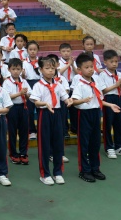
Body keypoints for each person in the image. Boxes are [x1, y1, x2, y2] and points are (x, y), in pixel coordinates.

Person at [72, 53, 121, 183]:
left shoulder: (95, 82)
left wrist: (110, 105)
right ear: (79, 69)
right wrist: (83, 100)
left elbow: (98, 100)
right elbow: (74, 101)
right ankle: (84, 170)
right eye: (86, 67)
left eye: (91, 66)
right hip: (84, 115)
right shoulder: (80, 84)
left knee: (95, 142)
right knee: (84, 143)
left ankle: (95, 168)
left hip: (95, 113)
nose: (90, 69)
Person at [30, 57, 72, 186]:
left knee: (58, 143)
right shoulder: (38, 85)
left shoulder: (58, 84)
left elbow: (65, 98)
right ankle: (45, 174)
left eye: (53, 68)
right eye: (47, 68)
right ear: (40, 70)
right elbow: (35, 101)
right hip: (45, 114)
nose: (50, 71)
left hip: (57, 114)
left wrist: (70, 101)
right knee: (44, 145)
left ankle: (58, 172)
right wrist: (45, 104)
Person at [99, 49, 121, 159]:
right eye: (111, 62)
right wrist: (115, 85)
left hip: (119, 98)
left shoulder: (120, 74)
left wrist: (120, 85)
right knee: (108, 123)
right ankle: (109, 147)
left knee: (119, 123)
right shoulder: (102, 75)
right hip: (108, 99)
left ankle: (119, 146)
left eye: (116, 61)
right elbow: (103, 91)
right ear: (105, 62)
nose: (114, 64)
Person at [4, 58, 31, 165]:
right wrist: (20, 93)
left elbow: (29, 96)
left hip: (23, 107)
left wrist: (26, 94)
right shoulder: (7, 82)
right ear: (9, 70)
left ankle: (23, 153)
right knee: (12, 131)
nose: (16, 71)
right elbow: (6, 96)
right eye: (13, 69)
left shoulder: (24, 81)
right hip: (12, 108)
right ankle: (13, 154)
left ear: (21, 70)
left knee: (24, 131)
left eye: (18, 69)